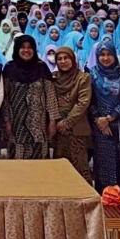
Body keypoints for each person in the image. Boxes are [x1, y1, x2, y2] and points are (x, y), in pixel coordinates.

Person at [89, 41, 120, 200]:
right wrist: (99, 120)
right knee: (104, 164)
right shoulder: (91, 74)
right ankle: (106, 199)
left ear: (115, 55)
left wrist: (110, 118)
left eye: (109, 54)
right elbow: (89, 101)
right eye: (102, 55)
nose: (105, 58)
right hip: (100, 127)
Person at [2, 34, 59, 160]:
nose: (26, 50)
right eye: (22, 47)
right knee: (17, 163)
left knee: (40, 163)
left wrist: (52, 121)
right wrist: (7, 121)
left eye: (29, 47)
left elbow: (50, 96)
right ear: (17, 49)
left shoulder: (41, 67)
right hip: (16, 125)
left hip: (39, 126)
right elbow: (5, 99)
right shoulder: (9, 68)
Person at [53, 46, 92, 183]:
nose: (63, 61)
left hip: (76, 129)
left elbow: (83, 103)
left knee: (79, 167)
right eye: (59, 59)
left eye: (66, 58)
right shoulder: (53, 78)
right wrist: (56, 122)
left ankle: (84, 195)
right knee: (59, 167)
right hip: (58, 130)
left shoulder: (83, 78)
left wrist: (67, 123)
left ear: (73, 60)